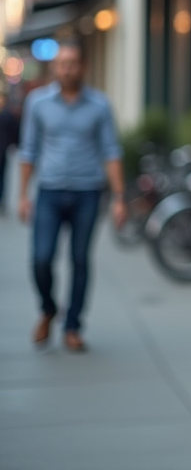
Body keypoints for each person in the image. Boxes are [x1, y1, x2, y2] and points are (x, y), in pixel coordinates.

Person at [18, 41, 126, 352]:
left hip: (87, 193)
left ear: (83, 67)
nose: (67, 69)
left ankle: (73, 326)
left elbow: (110, 151)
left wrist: (119, 197)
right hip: (49, 192)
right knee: (41, 259)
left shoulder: (100, 105)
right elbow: (29, 151)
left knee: (80, 261)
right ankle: (49, 308)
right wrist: (23, 195)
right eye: (62, 63)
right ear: (55, 67)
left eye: (73, 63)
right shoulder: (37, 103)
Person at [0, 90, 20, 214]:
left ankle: (1, 199)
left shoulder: (8, 115)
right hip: (3, 150)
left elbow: (14, 131)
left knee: (2, 177)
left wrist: (13, 144)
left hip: (2, 151)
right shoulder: (8, 114)